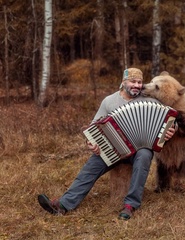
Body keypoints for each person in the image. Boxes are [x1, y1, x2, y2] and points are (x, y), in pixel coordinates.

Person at [38, 68, 176, 220]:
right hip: (113, 149)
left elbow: (169, 119)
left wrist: (171, 130)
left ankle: (130, 205)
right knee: (91, 166)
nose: (136, 85)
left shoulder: (149, 101)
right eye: (133, 81)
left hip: (139, 150)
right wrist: (91, 143)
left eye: (139, 82)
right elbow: (93, 128)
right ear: (124, 82)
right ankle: (63, 205)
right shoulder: (109, 101)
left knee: (144, 155)